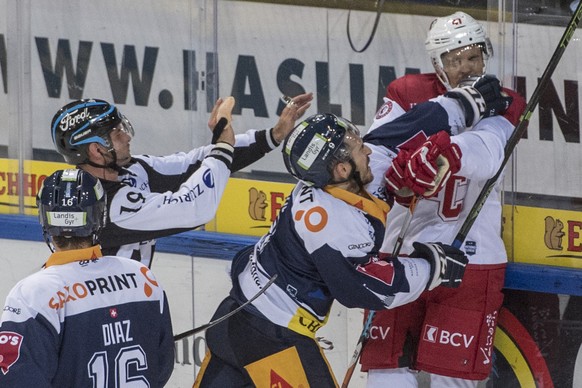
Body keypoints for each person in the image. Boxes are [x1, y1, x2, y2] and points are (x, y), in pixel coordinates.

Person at [193, 112, 470, 387]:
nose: (367, 150)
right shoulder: (331, 221)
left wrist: (465, 105)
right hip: (272, 339)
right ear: (342, 169)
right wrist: (431, 266)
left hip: (234, 320)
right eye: (358, 147)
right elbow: (365, 287)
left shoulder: (319, 180)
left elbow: (388, 142)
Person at [359, 12, 527, 388]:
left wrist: (441, 153)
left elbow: (487, 152)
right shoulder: (405, 92)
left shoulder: (505, 100)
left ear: (487, 54)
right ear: (437, 64)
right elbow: (375, 154)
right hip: (401, 249)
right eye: (454, 60)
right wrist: (401, 171)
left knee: (453, 377)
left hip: (470, 255)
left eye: (474, 56)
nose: (467, 67)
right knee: (387, 369)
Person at [50, 94, 313, 267]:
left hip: (125, 304)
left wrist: (273, 135)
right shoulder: (104, 205)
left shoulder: (132, 170)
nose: (127, 137)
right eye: (117, 134)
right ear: (96, 150)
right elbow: (193, 209)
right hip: (97, 313)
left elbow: (193, 163)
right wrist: (222, 144)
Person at [0, 168, 174, 387]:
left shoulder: (34, 295)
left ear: (45, 218)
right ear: (99, 216)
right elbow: (161, 366)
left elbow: (18, 380)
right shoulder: (142, 277)